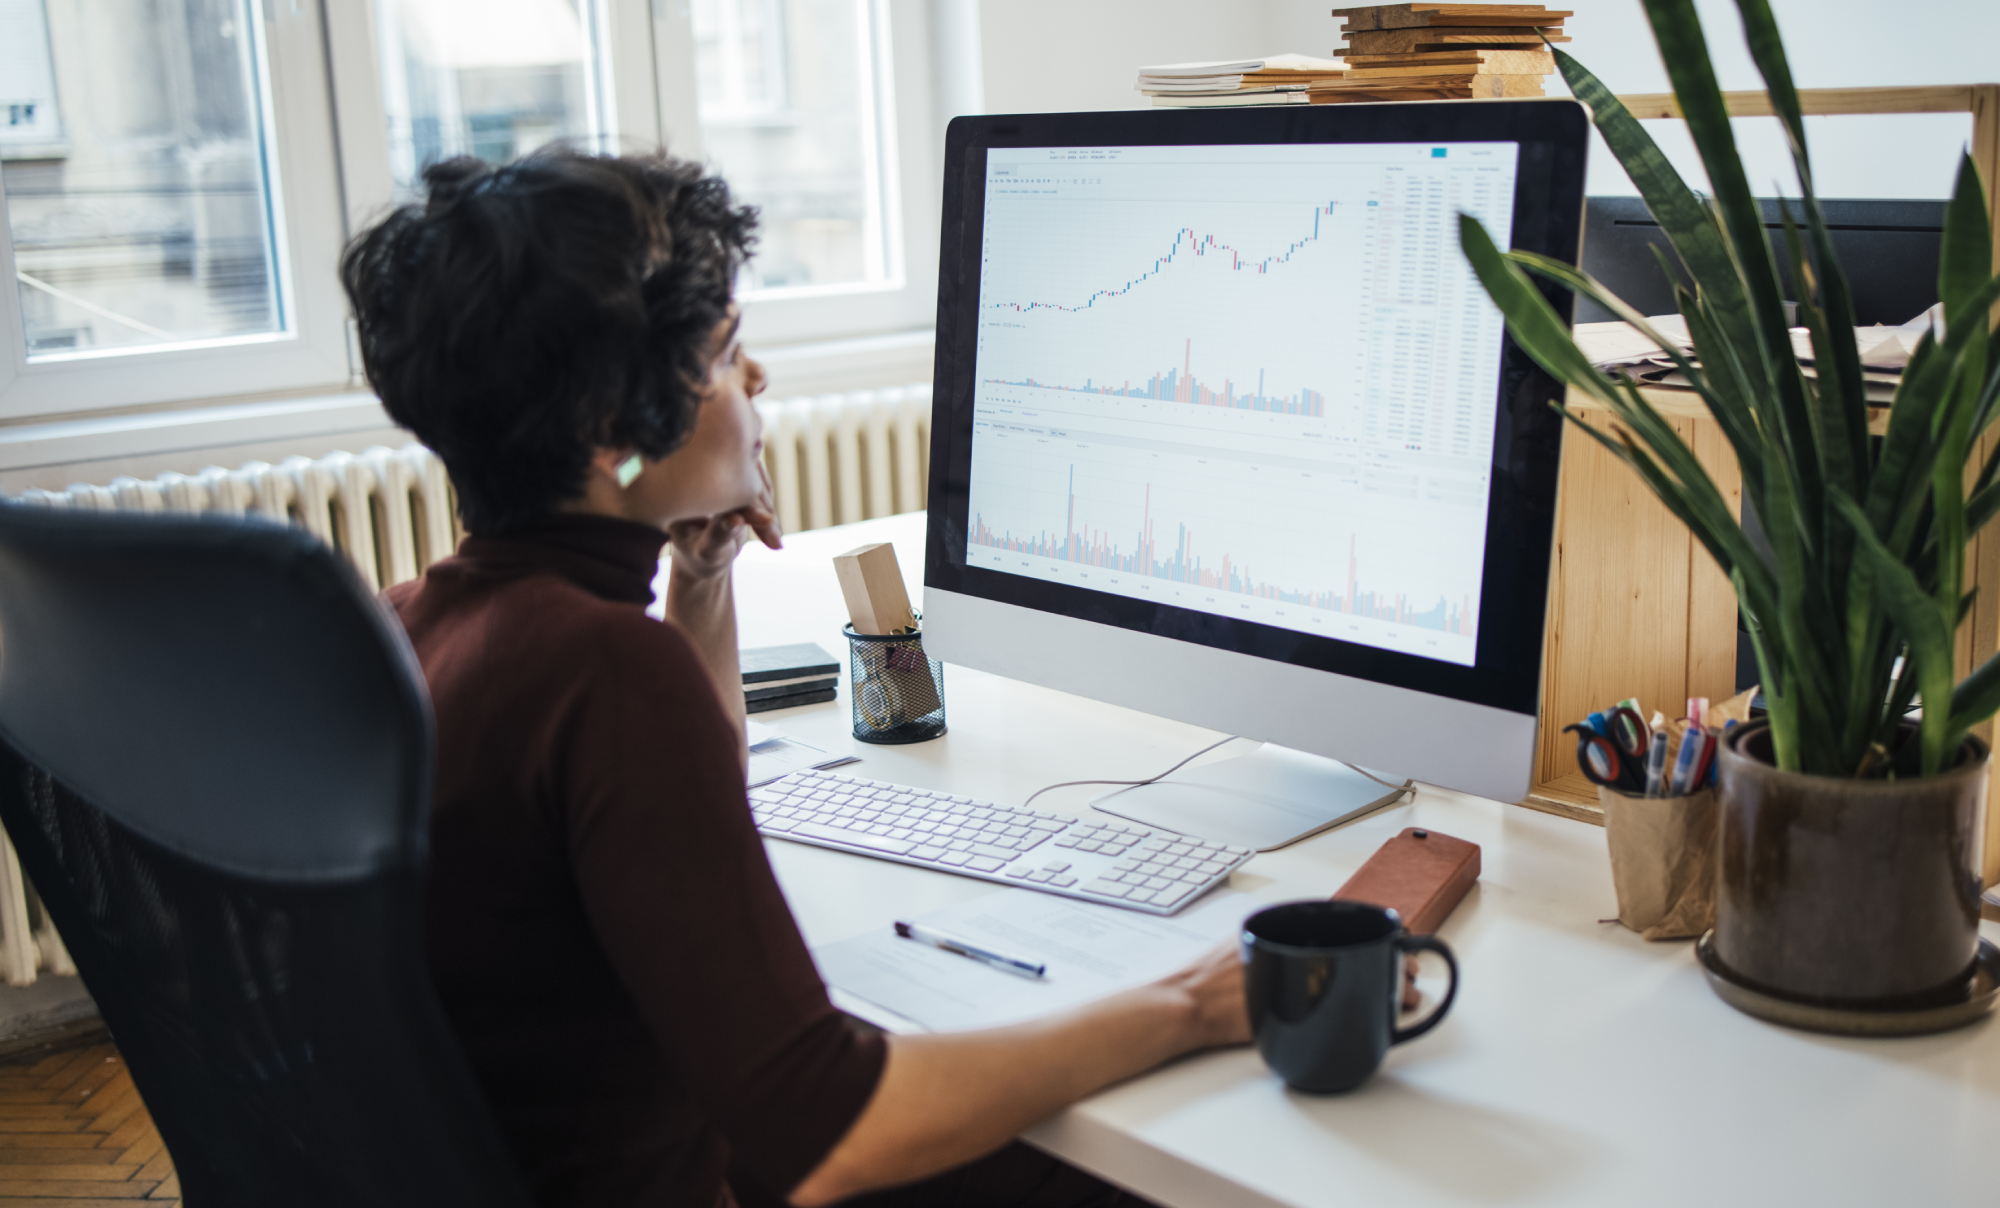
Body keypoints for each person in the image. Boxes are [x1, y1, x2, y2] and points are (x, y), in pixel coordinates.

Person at [340, 148, 1249, 1208]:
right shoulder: (603, 670)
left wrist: (701, 574)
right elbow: (832, 1126)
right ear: (608, 432)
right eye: (726, 354)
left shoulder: (420, 618)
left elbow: (678, 804)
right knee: (1135, 1159)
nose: (756, 380)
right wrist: (1184, 1005)